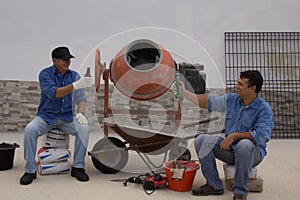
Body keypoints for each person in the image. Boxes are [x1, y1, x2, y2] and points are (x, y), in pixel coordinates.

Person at [179, 70, 274, 200]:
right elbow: (208, 102)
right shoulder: (232, 99)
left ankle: (240, 192)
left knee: (244, 145)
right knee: (202, 140)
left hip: (252, 153)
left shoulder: (264, 109)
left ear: (252, 88)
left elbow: (262, 136)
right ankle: (214, 185)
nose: (236, 86)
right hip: (230, 150)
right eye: (237, 83)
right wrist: (185, 93)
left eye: (240, 84)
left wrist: (234, 136)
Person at [20, 46, 93, 185]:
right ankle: (30, 170)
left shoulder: (74, 76)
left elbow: (81, 98)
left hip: (67, 118)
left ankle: (78, 167)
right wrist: (75, 85)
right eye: (64, 59)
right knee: (30, 130)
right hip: (46, 117)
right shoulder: (45, 75)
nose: (67, 62)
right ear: (54, 60)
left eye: (69, 59)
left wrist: (80, 113)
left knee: (84, 129)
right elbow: (55, 93)